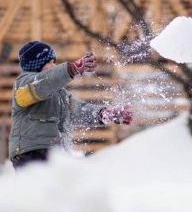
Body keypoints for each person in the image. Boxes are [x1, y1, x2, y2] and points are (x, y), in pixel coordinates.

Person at [9, 41, 133, 170]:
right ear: (35, 65)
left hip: (54, 153)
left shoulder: (59, 93)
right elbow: (42, 85)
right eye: (48, 63)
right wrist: (72, 69)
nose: (53, 65)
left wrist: (103, 114)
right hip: (31, 153)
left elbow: (77, 109)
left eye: (54, 62)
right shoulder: (23, 84)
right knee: (37, 189)